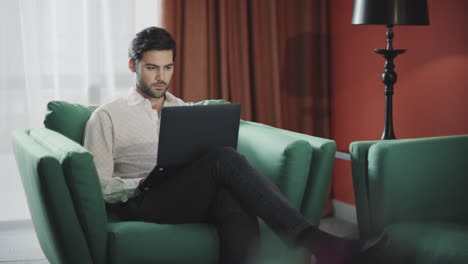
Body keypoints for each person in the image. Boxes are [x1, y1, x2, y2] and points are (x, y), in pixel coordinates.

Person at [84, 26, 381, 264]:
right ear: (132, 65)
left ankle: (319, 246)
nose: (161, 77)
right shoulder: (107, 115)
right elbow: (97, 185)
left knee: (230, 195)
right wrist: (139, 183)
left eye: (168, 67)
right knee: (223, 159)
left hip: (184, 194)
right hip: (141, 202)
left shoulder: (183, 110)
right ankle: (319, 243)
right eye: (151, 68)